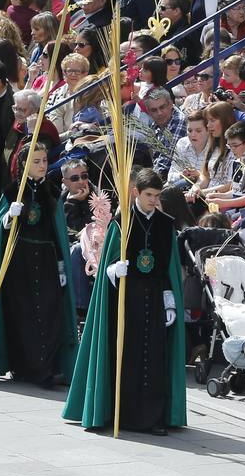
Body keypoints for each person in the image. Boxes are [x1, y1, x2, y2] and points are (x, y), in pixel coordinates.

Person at [63, 169, 186, 435]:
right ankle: (124, 412)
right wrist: (112, 271)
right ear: (136, 194)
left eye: (156, 195)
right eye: (149, 195)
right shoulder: (122, 222)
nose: (153, 200)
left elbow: (168, 268)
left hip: (153, 298)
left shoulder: (166, 224)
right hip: (126, 299)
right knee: (126, 356)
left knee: (153, 357)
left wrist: (169, 299)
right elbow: (107, 261)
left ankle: (153, 417)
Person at [0, 137, 78, 386]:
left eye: (44, 161)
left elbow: (57, 233)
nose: (42, 165)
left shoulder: (52, 192)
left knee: (50, 313)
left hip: (47, 262)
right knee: (24, 316)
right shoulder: (12, 192)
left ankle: (47, 367)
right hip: (18, 262)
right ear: (24, 163)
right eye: (36, 161)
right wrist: (9, 217)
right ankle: (27, 367)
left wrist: (62, 265)